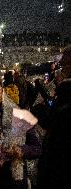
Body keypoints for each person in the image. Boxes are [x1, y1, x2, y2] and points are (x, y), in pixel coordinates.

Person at [37, 46, 71, 189]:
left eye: (65, 60)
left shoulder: (64, 90)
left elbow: (47, 118)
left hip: (59, 163)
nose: (60, 63)